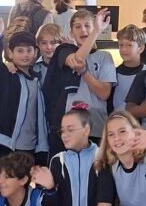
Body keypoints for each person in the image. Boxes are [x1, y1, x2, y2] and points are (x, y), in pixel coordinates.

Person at [43, 8, 114, 149]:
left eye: (87, 25)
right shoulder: (64, 50)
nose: (83, 30)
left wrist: (84, 72)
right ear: (71, 33)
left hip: (96, 125)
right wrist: (96, 31)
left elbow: (104, 93)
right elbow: (77, 60)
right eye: (78, 26)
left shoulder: (104, 56)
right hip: (67, 127)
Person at [0, 18, 48, 161]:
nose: (25, 55)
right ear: (10, 53)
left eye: (29, 50)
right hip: (5, 144)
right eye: (20, 51)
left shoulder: (38, 78)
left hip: (31, 146)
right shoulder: (6, 76)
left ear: (35, 52)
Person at [111, 25, 146, 116]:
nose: (124, 49)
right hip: (117, 119)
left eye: (129, 45)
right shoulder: (113, 73)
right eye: (121, 45)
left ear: (141, 48)